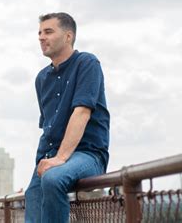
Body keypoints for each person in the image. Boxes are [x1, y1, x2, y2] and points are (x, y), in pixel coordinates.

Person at [24, 12, 110, 223]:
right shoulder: (41, 78)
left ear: (68, 36)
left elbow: (81, 112)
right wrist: (41, 163)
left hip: (87, 154)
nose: (41, 37)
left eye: (49, 32)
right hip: (52, 156)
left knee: (53, 179)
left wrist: (60, 158)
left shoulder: (87, 63)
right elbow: (48, 127)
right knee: (32, 194)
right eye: (40, 33)